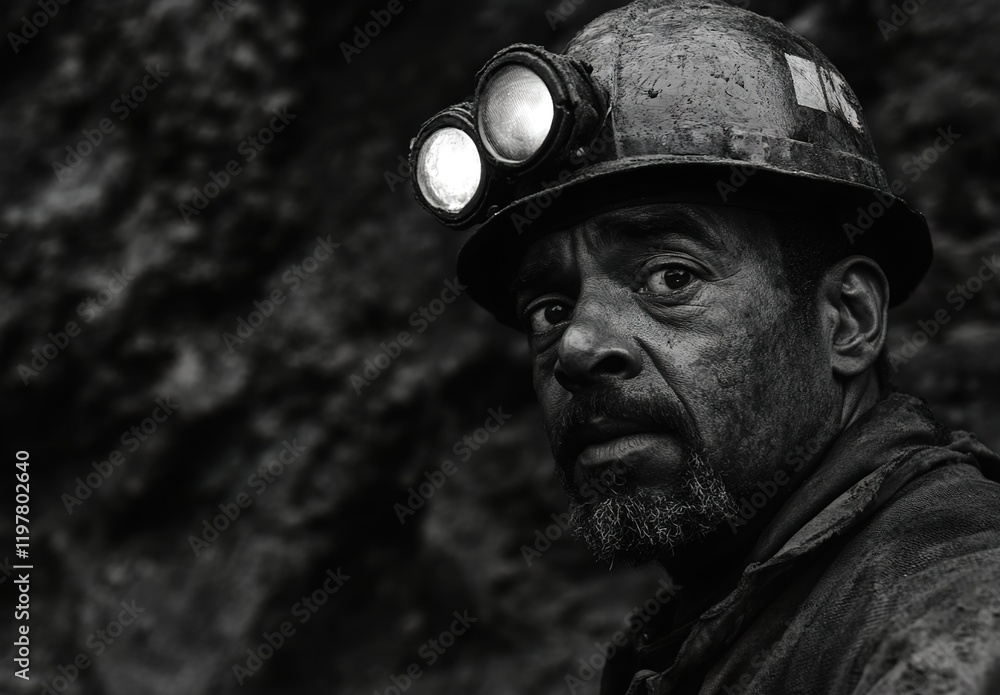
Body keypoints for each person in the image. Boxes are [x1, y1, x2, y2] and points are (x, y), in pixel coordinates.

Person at [408, 0, 1000, 692]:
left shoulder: (948, 613)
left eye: (671, 277)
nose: (577, 347)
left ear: (849, 319)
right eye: (551, 309)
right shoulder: (719, 627)